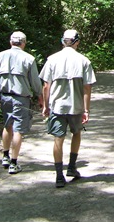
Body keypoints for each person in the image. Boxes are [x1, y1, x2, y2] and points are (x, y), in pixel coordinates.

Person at [39, 29, 96, 188]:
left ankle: (59, 176)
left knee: (58, 138)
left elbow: (46, 86)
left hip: (57, 106)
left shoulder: (52, 59)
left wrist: (46, 105)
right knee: (76, 133)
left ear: (62, 41)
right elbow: (87, 88)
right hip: (76, 106)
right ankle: (71, 167)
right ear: (77, 42)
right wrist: (86, 110)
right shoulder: (84, 60)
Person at [0, 31, 43, 174]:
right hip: (21, 98)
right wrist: (40, 96)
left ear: (10, 42)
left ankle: (5, 156)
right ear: (24, 43)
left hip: (5, 96)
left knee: (7, 126)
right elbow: (35, 81)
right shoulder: (29, 59)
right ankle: (14, 163)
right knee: (18, 129)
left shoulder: (0, 56)